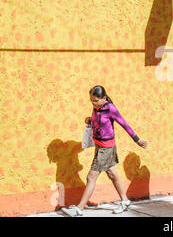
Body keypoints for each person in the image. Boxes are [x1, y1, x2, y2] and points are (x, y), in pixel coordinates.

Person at [61, 85, 147, 217]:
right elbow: (99, 122)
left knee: (91, 176)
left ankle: (79, 209)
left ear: (104, 98)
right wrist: (90, 121)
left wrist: (137, 139)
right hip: (99, 146)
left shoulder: (110, 109)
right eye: (91, 101)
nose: (93, 103)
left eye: (95, 101)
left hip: (106, 148)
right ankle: (125, 201)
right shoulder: (96, 108)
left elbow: (124, 124)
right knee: (112, 173)